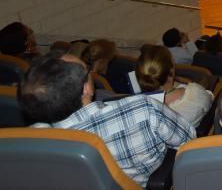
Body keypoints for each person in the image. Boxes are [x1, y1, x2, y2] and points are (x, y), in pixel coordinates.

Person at [19, 53, 195, 186]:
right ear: (86, 89)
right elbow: (189, 140)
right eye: (87, 71)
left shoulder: (30, 141)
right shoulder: (142, 109)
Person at [136, 44, 213, 127]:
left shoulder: (139, 111)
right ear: (171, 70)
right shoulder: (196, 94)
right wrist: (189, 84)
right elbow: (210, 99)